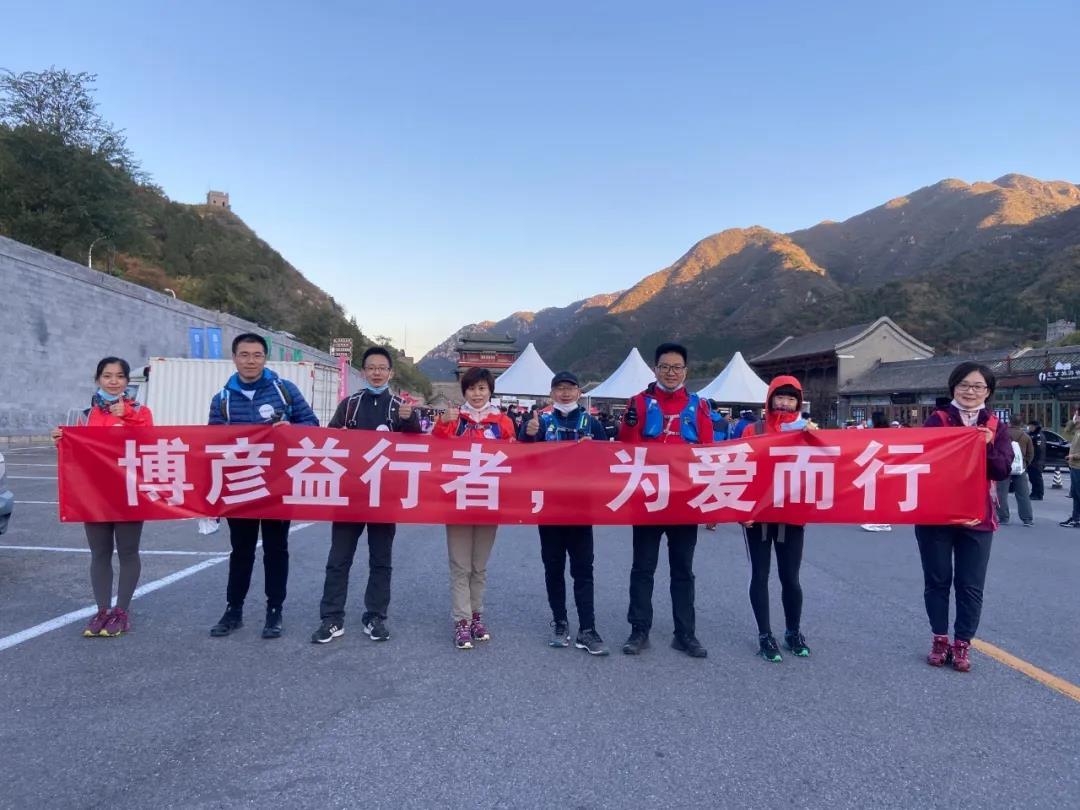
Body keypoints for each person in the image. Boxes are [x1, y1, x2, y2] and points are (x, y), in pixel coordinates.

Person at [207, 333, 319, 640]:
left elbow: (312, 425)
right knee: (241, 551)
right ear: (234, 358)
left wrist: (291, 429)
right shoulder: (222, 399)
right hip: (241, 485)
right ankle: (233, 610)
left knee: (276, 549)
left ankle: (274, 611)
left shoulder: (285, 390)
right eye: (244, 355)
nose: (250, 361)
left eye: (257, 355)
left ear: (265, 358)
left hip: (278, 484)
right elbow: (213, 443)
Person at [311, 347, 421, 645]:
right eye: (371, 367)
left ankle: (375, 617)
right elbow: (330, 441)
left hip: (384, 497)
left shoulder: (399, 407)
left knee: (381, 561)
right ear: (363, 372)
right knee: (338, 559)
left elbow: (417, 445)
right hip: (350, 495)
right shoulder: (349, 405)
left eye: (382, 368)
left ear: (390, 373)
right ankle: (331, 618)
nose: (376, 373)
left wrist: (410, 420)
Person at [914, 362, 1012, 672]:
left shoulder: (996, 426)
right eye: (964, 385)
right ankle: (939, 639)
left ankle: (962, 643)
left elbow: (1002, 469)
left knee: (971, 585)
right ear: (953, 388)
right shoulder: (937, 420)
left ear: (988, 391)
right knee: (937, 580)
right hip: (936, 515)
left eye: (978, 386)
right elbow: (922, 458)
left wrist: (987, 445)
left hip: (978, 517)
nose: (970, 391)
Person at [618, 343, 714, 658]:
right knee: (643, 567)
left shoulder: (699, 406)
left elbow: (709, 452)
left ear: (686, 371)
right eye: (664, 367)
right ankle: (639, 630)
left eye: (676, 367)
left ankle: (685, 634)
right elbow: (625, 448)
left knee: (683, 569)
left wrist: (711, 503)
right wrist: (628, 424)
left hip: (685, 501)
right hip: (648, 498)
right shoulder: (638, 403)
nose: (670, 373)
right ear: (655, 369)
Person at [51, 357, 154, 638]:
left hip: (128, 491)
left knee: (128, 551)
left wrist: (128, 416)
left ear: (127, 381)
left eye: (119, 376)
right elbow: (76, 456)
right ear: (98, 379)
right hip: (94, 493)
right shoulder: (84, 415)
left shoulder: (141, 411)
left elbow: (150, 443)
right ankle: (102, 610)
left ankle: (121, 611)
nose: (113, 381)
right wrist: (62, 441)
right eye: (107, 376)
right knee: (99, 553)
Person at [519, 371, 610, 655]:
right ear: (551, 393)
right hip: (549, 506)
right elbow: (522, 455)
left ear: (579, 392)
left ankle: (588, 628)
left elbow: (607, 460)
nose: (565, 393)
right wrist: (528, 433)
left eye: (570, 388)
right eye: (559, 388)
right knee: (553, 567)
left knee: (583, 569)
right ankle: (560, 622)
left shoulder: (591, 423)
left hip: (582, 507)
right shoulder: (542, 422)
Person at [432, 367, 516, 649]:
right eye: (471, 388)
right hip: (457, 501)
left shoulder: (503, 423)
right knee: (460, 565)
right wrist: (442, 424)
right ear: (464, 391)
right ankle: (462, 620)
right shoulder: (454, 419)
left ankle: (477, 615)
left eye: (482, 388)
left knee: (479, 566)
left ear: (490, 390)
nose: (476, 394)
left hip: (489, 501)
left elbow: (515, 459)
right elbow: (434, 450)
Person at [736, 376, 813, 662]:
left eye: (791, 398)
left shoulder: (807, 431)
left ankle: (793, 631)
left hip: (792, 514)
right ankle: (765, 634)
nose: (785, 403)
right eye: (780, 397)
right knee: (760, 574)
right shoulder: (753, 430)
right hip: (758, 515)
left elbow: (824, 469)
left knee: (791, 577)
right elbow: (739, 469)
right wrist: (742, 510)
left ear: (798, 402)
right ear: (769, 399)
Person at [996, 414, 1034, 527]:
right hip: (1020, 468)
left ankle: (1003, 517)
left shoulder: (1002, 434)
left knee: (1001, 494)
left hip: (1004, 467)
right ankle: (1027, 519)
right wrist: (1025, 464)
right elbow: (1030, 454)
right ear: (1021, 423)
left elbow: (996, 450)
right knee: (1023, 494)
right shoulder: (1026, 436)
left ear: (1009, 422)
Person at [861, 412, 894, 533]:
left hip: (880, 469)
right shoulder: (886, 433)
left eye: (871, 419)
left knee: (878, 496)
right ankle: (880, 521)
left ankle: (880, 522)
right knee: (878, 497)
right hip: (878, 469)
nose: (869, 421)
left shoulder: (881, 434)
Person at [1061, 409, 1080, 528]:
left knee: (1078, 494)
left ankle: (1077, 518)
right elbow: (1066, 434)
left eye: (1077, 416)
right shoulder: (1077, 430)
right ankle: (1075, 517)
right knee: (1075, 494)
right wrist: (1072, 423)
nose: (1075, 418)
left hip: (1078, 466)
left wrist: (1073, 456)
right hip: (1074, 466)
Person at [1026, 420, 1046, 501]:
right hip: (1032, 461)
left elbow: (1039, 450)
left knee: (1037, 478)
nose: (1029, 428)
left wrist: (1033, 459)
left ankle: (1039, 494)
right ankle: (1034, 493)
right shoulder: (1031, 434)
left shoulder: (1039, 436)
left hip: (1037, 461)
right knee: (1032, 478)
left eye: (1030, 426)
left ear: (1034, 426)